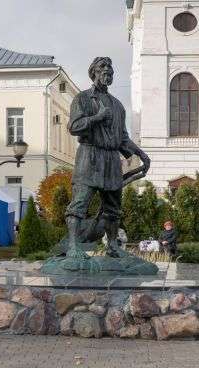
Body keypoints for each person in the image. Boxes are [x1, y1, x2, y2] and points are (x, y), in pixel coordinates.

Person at [64, 56, 151, 259]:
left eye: (110, 68)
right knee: (79, 203)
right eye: (102, 67)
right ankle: (73, 246)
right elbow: (73, 127)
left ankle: (112, 246)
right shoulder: (83, 99)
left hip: (111, 159)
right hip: (89, 156)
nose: (107, 70)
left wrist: (141, 154)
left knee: (113, 207)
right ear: (93, 72)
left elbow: (123, 138)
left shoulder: (118, 105)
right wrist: (97, 118)